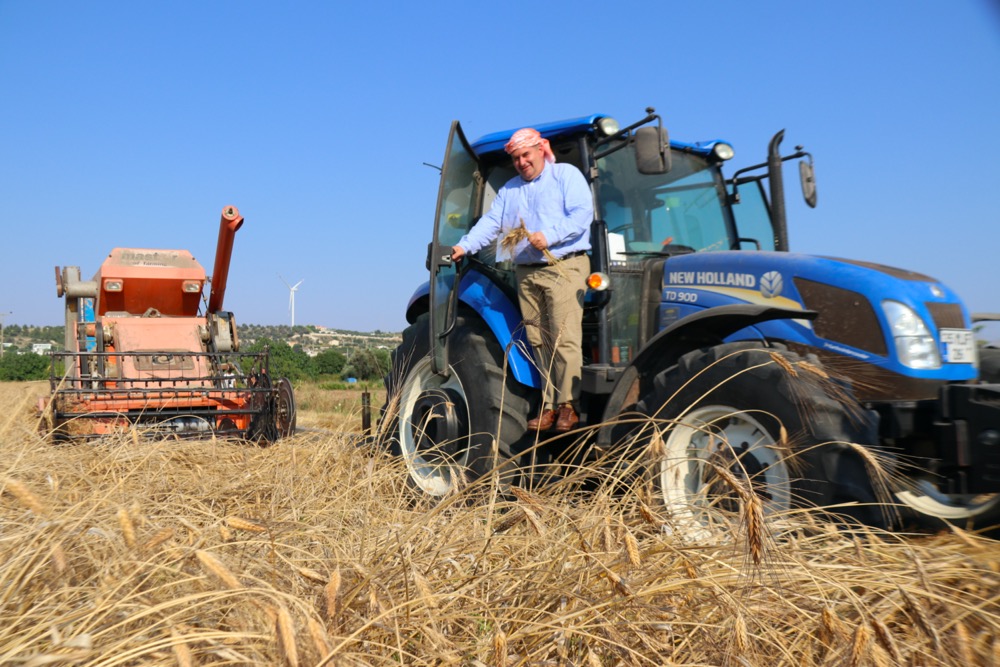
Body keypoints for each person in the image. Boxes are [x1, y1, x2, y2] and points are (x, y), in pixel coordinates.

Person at [451, 128, 593, 433]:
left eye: (525, 155)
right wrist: (465, 245)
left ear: (541, 149)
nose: (521, 162)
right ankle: (549, 405)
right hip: (527, 272)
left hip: (563, 267)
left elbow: (583, 213)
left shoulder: (565, 176)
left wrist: (551, 235)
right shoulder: (510, 191)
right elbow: (491, 224)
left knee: (562, 337)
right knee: (537, 340)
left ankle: (568, 405)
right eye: (515, 158)